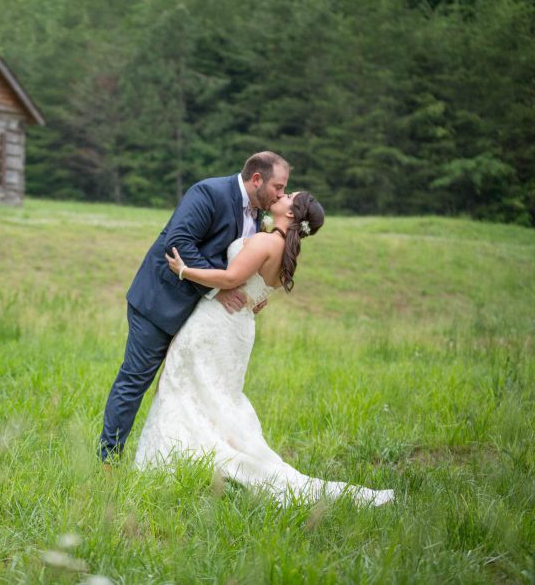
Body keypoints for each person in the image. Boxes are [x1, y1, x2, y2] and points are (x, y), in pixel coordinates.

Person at [133, 191, 394, 506]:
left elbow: (231, 277)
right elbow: (259, 298)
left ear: (291, 214)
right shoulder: (285, 251)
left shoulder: (266, 242)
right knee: (215, 396)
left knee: (185, 389)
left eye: (289, 196)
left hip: (216, 324)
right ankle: (195, 458)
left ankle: (175, 461)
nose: (282, 195)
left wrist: (184, 271)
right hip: (239, 329)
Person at [99, 151, 290, 462]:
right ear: (257, 179)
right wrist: (220, 287)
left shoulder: (257, 214)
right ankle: (108, 459)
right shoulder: (209, 193)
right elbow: (178, 243)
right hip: (161, 303)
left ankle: (184, 458)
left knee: (186, 389)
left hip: (202, 319)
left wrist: (253, 292)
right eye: (278, 187)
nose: (281, 194)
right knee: (136, 379)